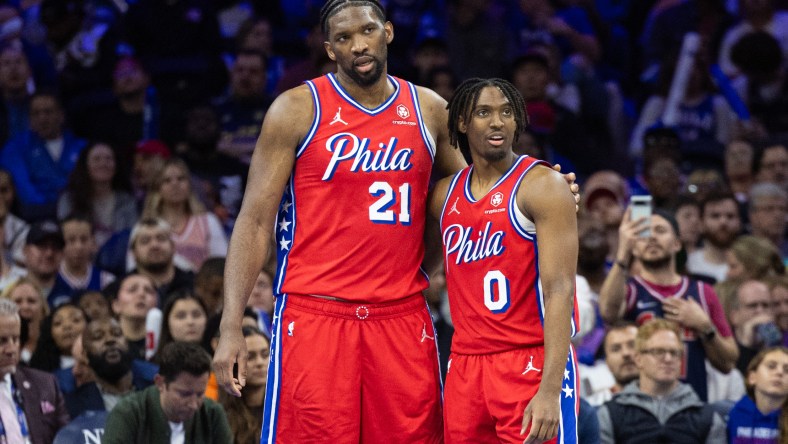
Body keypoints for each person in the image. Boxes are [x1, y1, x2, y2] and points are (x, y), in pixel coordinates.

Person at [212, 2, 579, 442]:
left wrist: (547, 188)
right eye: (344, 39)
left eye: (367, 30)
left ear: (387, 31)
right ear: (329, 50)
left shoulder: (429, 110)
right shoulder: (296, 109)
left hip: (401, 316)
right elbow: (253, 222)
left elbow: (482, 189)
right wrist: (231, 323)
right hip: (316, 312)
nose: (358, 45)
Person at [428, 77, 579, 443]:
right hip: (466, 366)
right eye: (484, 112)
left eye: (507, 112)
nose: (497, 122)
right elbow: (422, 265)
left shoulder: (543, 185)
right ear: (462, 123)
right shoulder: (443, 196)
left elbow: (559, 291)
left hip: (528, 360)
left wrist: (549, 389)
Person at [598, 208, 738, 401]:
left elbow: (728, 363)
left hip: (692, 407)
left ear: (677, 243)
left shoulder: (703, 292)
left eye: (660, 231)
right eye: (644, 233)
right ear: (634, 246)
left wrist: (705, 327)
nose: (652, 238)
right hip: (640, 408)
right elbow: (607, 312)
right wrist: (622, 253)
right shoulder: (628, 290)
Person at [596, 319, 727, 443]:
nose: (668, 359)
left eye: (674, 352)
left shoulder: (707, 418)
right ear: (638, 359)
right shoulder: (610, 414)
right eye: (658, 351)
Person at [102, 341, 232, 444]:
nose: (193, 404)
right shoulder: (128, 413)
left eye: (200, 394)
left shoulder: (213, 414)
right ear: (160, 383)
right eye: (184, 394)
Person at [0, 298, 70, 444]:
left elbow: (66, 437)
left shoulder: (45, 384)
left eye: (16, 339)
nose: (12, 349)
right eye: (2, 341)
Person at [141, 159, 228, 272]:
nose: (175, 184)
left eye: (181, 179)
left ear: (189, 186)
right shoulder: (147, 227)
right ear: (158, 189)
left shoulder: (207, 221)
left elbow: (222, 264)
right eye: (167, 180)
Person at [65, 317, 158, 419]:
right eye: (98, 337)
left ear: (127, 344)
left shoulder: (156, 389)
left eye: (117, 334)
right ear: (85, 355)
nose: (110, 340)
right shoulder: (74, 404)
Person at [56, 141, 137, 248]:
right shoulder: (69, 199)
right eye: (96, 159)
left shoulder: (127, 200)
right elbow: (65, 235)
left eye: (108, 159)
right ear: (85, 165)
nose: (103, 164)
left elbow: (133, 235)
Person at [219, 326, 270, 444]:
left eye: (265, 354)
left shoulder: (283, 410)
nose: (260, 363)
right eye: (250, 357)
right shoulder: (221, 415)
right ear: (233, 364)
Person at [727, 346, 788, 444]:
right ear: (752, 377)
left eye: (787, 370)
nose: (780, 372)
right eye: (771, 366)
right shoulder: (729, 414)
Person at [583, 323, 639, 407]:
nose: (626, 353)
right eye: (616, 349)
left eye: (632, 345)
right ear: (606, 361)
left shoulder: (664, 402)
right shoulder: (594, 406)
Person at [1, 277, 48, 363]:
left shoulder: (53, 342)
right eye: (18, 301)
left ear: (43, 307)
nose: (25, 307)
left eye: (31, 301)